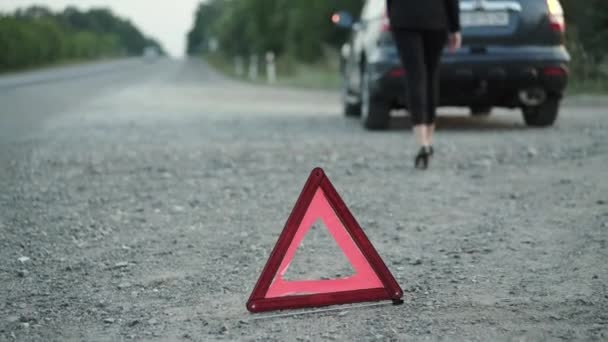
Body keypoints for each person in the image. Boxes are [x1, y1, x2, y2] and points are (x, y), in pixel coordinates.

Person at [386, 0, 462, 169]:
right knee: (431, 76)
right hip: (436, 18)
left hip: (404, 17)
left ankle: (422, 142)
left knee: (415, 76)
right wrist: (455, 27)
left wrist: (391, 15)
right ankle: (429, 139)